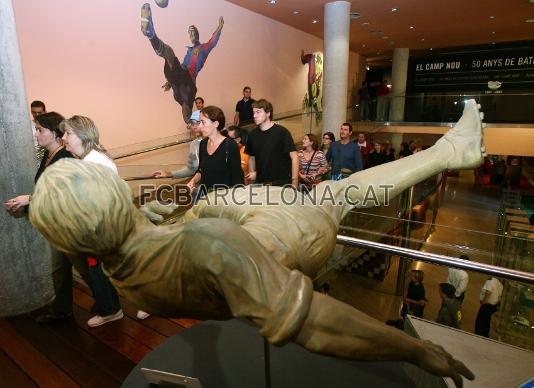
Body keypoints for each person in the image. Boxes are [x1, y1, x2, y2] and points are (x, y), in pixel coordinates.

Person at [29, 99, 485, 387]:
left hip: (227, 221)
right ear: (109, 198)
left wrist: (178, 199)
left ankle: (449, 152)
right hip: (263, 241)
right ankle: (450, 151)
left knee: (232, 202)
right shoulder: (209, 246)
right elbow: (316, 323)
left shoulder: (114, 265)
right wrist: (416, 350)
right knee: (337, 194)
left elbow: (144, 211)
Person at [61, 115, 150, 324]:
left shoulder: (94, 163)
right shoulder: (85, 159)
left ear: (82, 135)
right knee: (99, 270)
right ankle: (111, 309)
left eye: (68, 133)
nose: (63, 137)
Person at [4, 112, 87, 324]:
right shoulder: (48, 155)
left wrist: (29, 200)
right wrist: (27, 206)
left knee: (86, 269)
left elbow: (62, 193)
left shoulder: (64, 157)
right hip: (56, 223)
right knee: (61, 268)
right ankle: (62, 310)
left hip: (67, 224)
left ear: (53, 132)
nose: (36, 134)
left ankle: (110, 305)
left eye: (39, 130)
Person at [140, 3, 223, 123]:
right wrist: (170, 81)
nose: (191, 35)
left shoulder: (203, 48)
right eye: (189, 33)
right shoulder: (189, 50)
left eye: (193, 32)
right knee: (169, 54)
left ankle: (189, 122)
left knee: (186, 103)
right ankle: (150, 33)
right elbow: (180, 69)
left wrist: (219, 29)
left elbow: (213, 41)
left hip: (189, 79)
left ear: (197, 34)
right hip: (180, 76)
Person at [187, 106, 244, 198]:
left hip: (224, 201)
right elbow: (201, 170)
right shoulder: (203, 144)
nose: (199, 126)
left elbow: (237, 178)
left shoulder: (230, 145)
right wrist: (193, 180)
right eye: (199, 122)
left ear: (216, 124)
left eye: (203, 122)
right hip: (206, 198)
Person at [245, 99, 298, 188]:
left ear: (268, 113)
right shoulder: (252, 135)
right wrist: (252, 177)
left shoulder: (282, 132)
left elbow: (294, 156)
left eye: (258, 112)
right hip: (261, 183)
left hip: (282, 182)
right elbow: (251, 157)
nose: (254, 115)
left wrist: (295, 182)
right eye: (253, 112)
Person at [152, 110, 203, 180]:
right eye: (192, 123)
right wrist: (168, 174)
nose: (194, 127)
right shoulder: (194, 144)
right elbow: (191, 169)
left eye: (198, 123)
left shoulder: (214, 143)